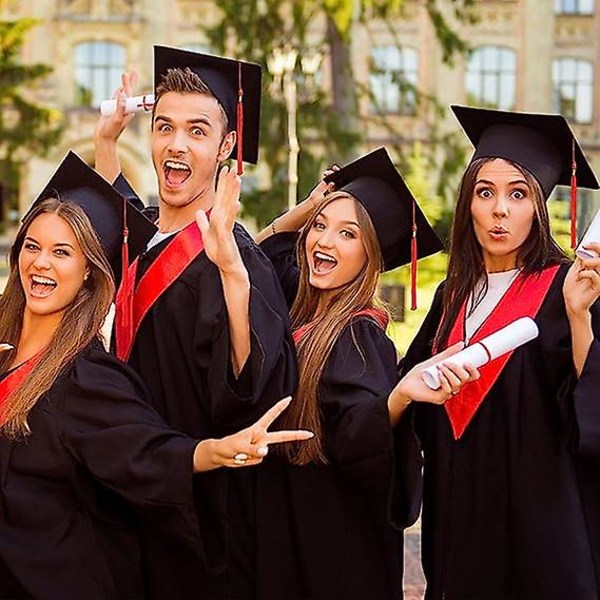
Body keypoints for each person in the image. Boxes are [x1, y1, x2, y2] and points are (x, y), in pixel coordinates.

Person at [0, 154, 311, 599]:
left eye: (61, 252)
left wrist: (215, 451)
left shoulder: (86, 377)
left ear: (89, 272)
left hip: (50, 578)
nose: (41, 263)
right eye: (32, 246)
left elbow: (148, 451)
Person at [94, 46, 297, 596]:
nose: (176, 144)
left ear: (227, 145)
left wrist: (231, 272)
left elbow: (253, 381)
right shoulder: (145, 238)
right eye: (164, 127)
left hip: (197, 517)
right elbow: (122, 208)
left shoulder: (237, 258)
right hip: (129, 491)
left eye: (197, 130)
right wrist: (107, 141)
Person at [253, 147, 479, 599]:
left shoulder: (360, 335)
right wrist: (302, 212)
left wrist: (396, 399)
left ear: (370, 255)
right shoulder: (301, 312)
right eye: (320, 227)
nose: (324, 241)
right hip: (286, 528)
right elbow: (259, 260)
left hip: (332, 548)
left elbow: (357, 432)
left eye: (347, 234)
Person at [400, 105, 600, 599]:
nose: (500, 210)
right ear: (468, 203)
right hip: (458, 515)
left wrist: (578, 317)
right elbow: (412, 396)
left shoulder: (567, 289)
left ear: (539, 206)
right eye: (485, 192)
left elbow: (587, 407)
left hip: (538, 522)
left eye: (517, 194)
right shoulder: (452, 294)